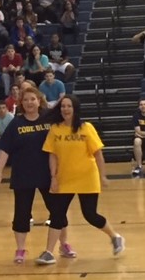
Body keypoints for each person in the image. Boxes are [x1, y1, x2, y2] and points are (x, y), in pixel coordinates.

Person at [38, 95, 126, 265]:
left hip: (87, 176)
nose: (65, 109)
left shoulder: (86, 128)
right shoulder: (55, 129)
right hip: (65, 178)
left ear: (75, 109)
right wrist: (53, 177)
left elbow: (98, 154)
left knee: (90, 215)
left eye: (69, 106)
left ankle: (115, 237)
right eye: (63, 106)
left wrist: (102, 176)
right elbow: (52, 155)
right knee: (56, 214)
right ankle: (49, 252)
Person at [0, 88, 76, 263]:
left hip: (49, 173)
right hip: (23, 174)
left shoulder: (50, 118)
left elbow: (69, 120)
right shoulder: (16, 123)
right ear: (21, 103)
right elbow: (5, 148)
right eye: (26, 100)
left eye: (33, 99)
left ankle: (64, 244)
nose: (29, 102)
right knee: (22, 213)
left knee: (57, 210)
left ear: (39, 100)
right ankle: (21, 249)